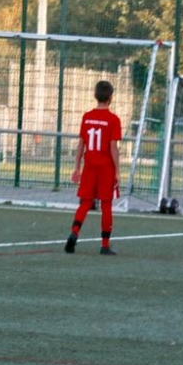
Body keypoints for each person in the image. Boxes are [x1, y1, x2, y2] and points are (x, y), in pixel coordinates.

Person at [65, 80, 122, 256]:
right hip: (106, 168)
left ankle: (74, 232)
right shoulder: (113, 120)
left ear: (95, 96)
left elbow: (81, 144)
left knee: (85, 203)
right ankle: (104, 245)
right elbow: (113, 147)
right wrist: (117, 171)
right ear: (111, 97)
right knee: (106, 205)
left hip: (89, 165)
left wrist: (77, 168)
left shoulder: (87, 117)